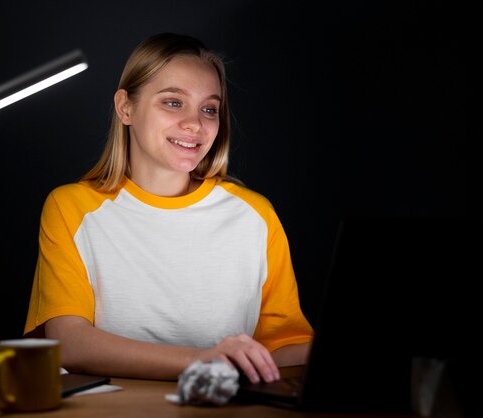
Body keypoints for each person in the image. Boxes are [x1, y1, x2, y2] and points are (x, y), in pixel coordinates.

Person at [23, 32, 313, 384]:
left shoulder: (255, 216)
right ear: (125, 107)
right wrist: (201, 359)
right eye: (173, 102)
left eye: (209, 109)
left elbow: (279, 349)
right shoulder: (71, 207)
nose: (195, 124)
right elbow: (69, 342)